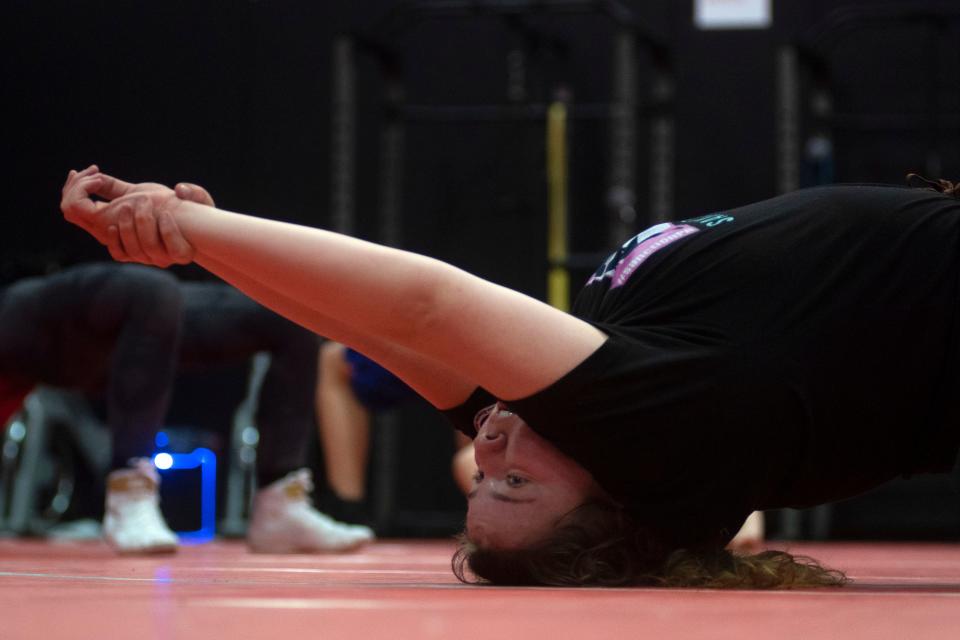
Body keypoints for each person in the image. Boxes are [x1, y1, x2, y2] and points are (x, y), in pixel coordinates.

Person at [60, 165, 960, 588]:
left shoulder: (551, 422)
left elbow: (359, 322)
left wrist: (199, 243)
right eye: (515, 481)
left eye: (487, 478)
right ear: (615, 493)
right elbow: (425, 304)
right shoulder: (658, 436)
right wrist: (198, 236)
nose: (488, 446)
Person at [0, 260, 373, 554]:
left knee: (291, 315)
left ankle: (280, 508)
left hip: (115, 308)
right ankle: (128, 494)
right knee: (151, 289)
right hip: (30, 321)